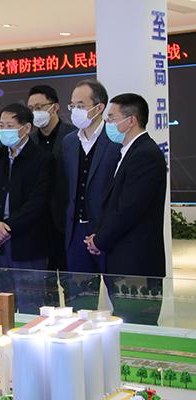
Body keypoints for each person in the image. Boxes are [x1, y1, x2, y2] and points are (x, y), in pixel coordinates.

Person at [86, 93, 166, 324]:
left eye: (112, 118)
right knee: (125, 323)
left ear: (131, 120)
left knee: (138, 326)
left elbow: (129, 210)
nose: (107, 123)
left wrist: (100, 240)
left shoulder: (145, 154)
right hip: (121, 259)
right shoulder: (128, 151)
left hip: (136, 264)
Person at [0, 103, 54, 312]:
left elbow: (38, 202)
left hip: (27, 240)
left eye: (10, 126)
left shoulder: (43, 159)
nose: (4, 130)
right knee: (0, 302)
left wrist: (8, 227)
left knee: (30, 304)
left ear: (26, 128)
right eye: (1, 125)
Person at [63, 79, 120, 275]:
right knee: (79, 291)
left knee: (116, 287)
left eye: (81, 106)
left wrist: (107, 232)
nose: (75, 111)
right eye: (72, 106)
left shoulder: (115, 140)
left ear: (99, 108)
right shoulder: (70, 142)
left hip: (107, 230)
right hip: (75, 231)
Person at [28, 85, 76, 270]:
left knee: (68, 276)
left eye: (39, 107)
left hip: (65, 221)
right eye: (31, 108)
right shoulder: (29, 141)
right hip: (36, 222)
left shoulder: (73, 136)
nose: (35, 112)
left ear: (55, 107)